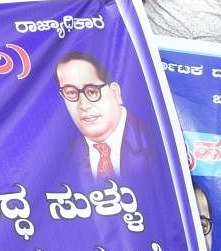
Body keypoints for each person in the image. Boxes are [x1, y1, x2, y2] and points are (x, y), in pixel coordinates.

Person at [55, 52, 151, 181]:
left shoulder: (156, 139)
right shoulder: (61, 158)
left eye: (92, 91)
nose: (83, 105)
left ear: (115, 93)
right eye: (71, 93)